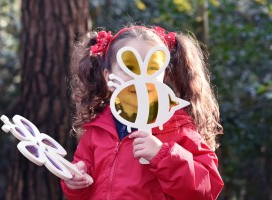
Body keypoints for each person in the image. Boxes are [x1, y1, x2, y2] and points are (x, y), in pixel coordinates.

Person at [61, 24, 224, 200]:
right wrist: (75, 183)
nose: (140, 77)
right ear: (108, 76)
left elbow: (207, 188)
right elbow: (85, 192)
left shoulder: (178, 127)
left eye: (152, 68)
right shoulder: (97, 129)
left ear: (164, 75)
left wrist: (162, 155)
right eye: (129, 66)